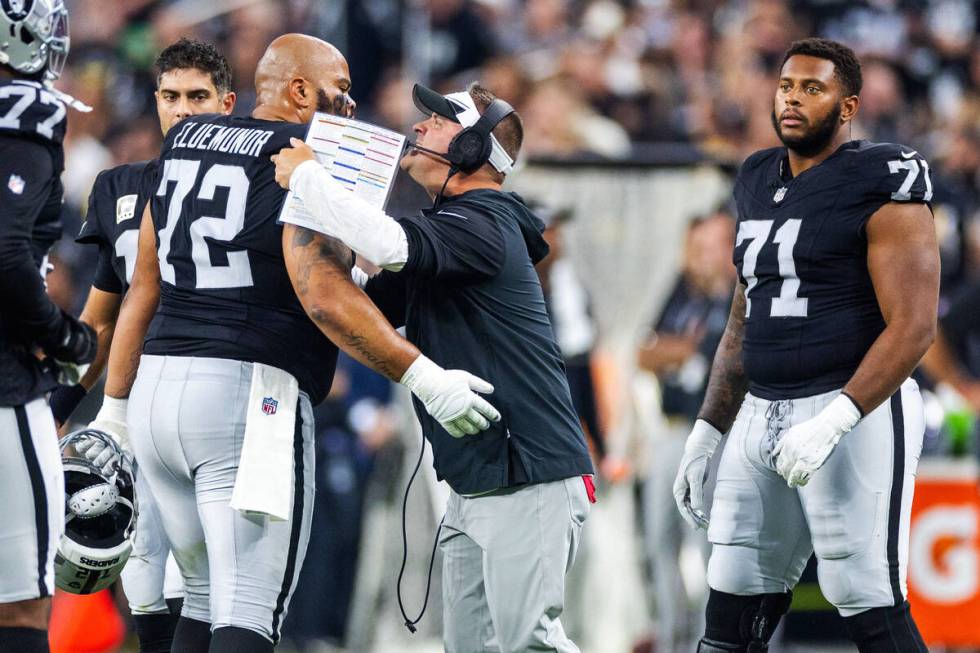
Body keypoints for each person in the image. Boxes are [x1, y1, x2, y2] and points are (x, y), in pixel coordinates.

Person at [89, 34, 499, 653]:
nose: (351, 106)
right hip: (249, 398)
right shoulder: (298, 156)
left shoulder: (181, 139)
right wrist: (422, 377)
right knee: (251, 610)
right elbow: (323, 294)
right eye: (341, 91)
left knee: (198, 604)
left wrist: (115, 408)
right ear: (300, 90)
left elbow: (142, 285)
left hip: (156, 392)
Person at [272, 81, 596, 653]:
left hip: (527, 471)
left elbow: (390, 243)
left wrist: (310, 176)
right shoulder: (455, 228)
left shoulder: (486, 218)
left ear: (473, 149)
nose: (419, 128)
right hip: (478, 477)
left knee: (531, 644)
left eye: (440, 121)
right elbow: (360, 300)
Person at [672, 38, 939, 652]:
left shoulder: (884, 176)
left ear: (847, 107)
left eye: (812, 89)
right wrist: (709, 429)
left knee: (864, 591)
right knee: (732, 593)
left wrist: (838, 418)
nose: (792, 98)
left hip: (854, 405)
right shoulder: (756, 176)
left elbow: (916, 325)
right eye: (787, 85)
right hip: (761, 406)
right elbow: (744, 319)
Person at [52, 38, 237, 653]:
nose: (183, 110)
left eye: (198, 97)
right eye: (171, 96)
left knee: (216, 581)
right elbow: (102, 316)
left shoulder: (253, 181)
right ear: (156, 102)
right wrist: (57, 406)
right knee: (139, 568)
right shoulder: (118, 186)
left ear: (227, 104)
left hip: (222, 389)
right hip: (135, 394)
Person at [0, 1, 96, 651]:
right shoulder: (24, 114)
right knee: (23, 604)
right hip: (5, 381)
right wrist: (63, 335)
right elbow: (5, 249)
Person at [636, 210, 735, 652]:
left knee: (708, 542)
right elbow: (644, 354)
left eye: (708, 247)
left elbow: (721, 360)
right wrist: (682, 349)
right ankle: (672, 635)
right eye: (694, 247)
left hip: (719, 435)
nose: (698, 257)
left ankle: (707, 640)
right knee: (659, 536)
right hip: (673, 429)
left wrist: (674, 352)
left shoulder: (740, 296)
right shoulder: (681, 291)